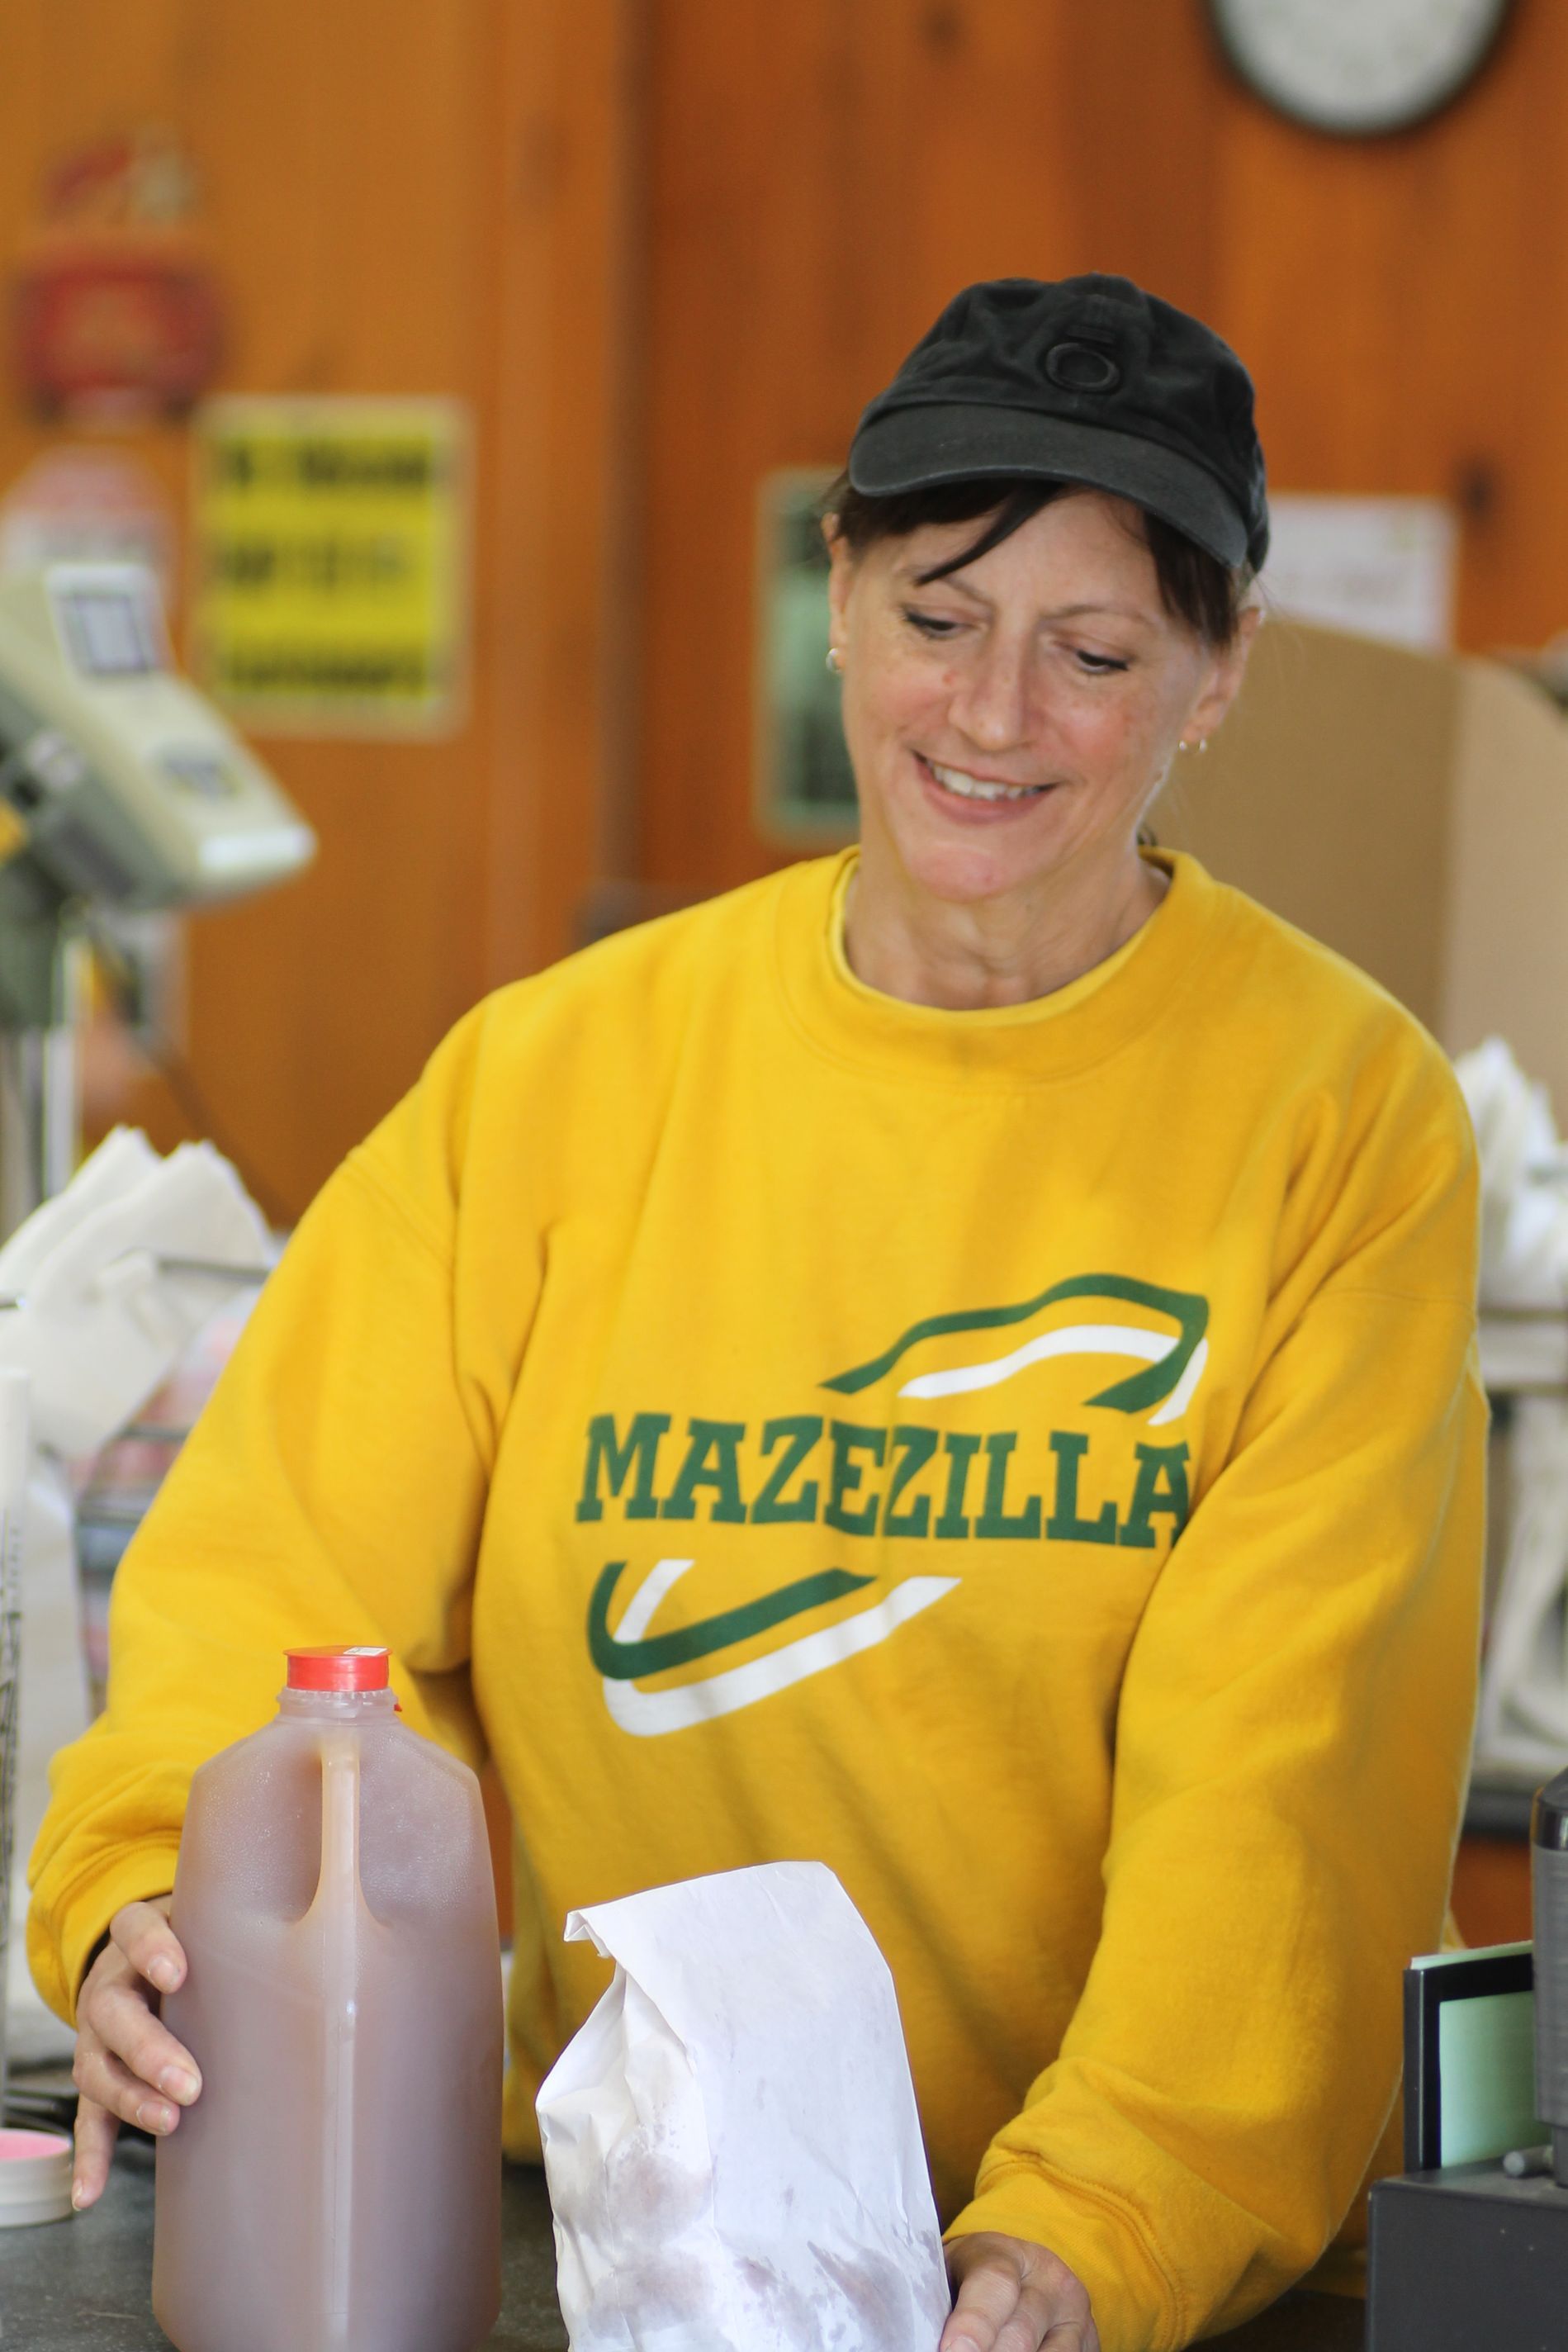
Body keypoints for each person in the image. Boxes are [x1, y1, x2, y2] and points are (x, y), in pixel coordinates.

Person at [31, 274, 1484, 2352]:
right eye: (933, 618)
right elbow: (281, 1580)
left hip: (1136, 2283)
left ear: (1216, 670)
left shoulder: (1336, 1120)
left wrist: (1097, 2222)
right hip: (638, 2245)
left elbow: (1284, 1781)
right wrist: (156, 1890)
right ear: (836, 589)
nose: (990, 718)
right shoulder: (555, 1078)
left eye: (1089, 653)